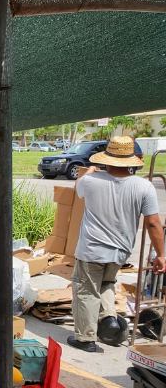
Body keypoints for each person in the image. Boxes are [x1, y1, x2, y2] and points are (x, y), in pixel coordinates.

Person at [68, 136, 165, 352]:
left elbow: (78, 186)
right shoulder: (144, 186)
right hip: (120, 251)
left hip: (91, 250)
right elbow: (153, 223)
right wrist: (161, 254)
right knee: (106, 284)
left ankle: (86, 338)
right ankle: (109, 320)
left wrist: (91, 170)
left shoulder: (91, 181)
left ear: (106, 159)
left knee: (87, 291)